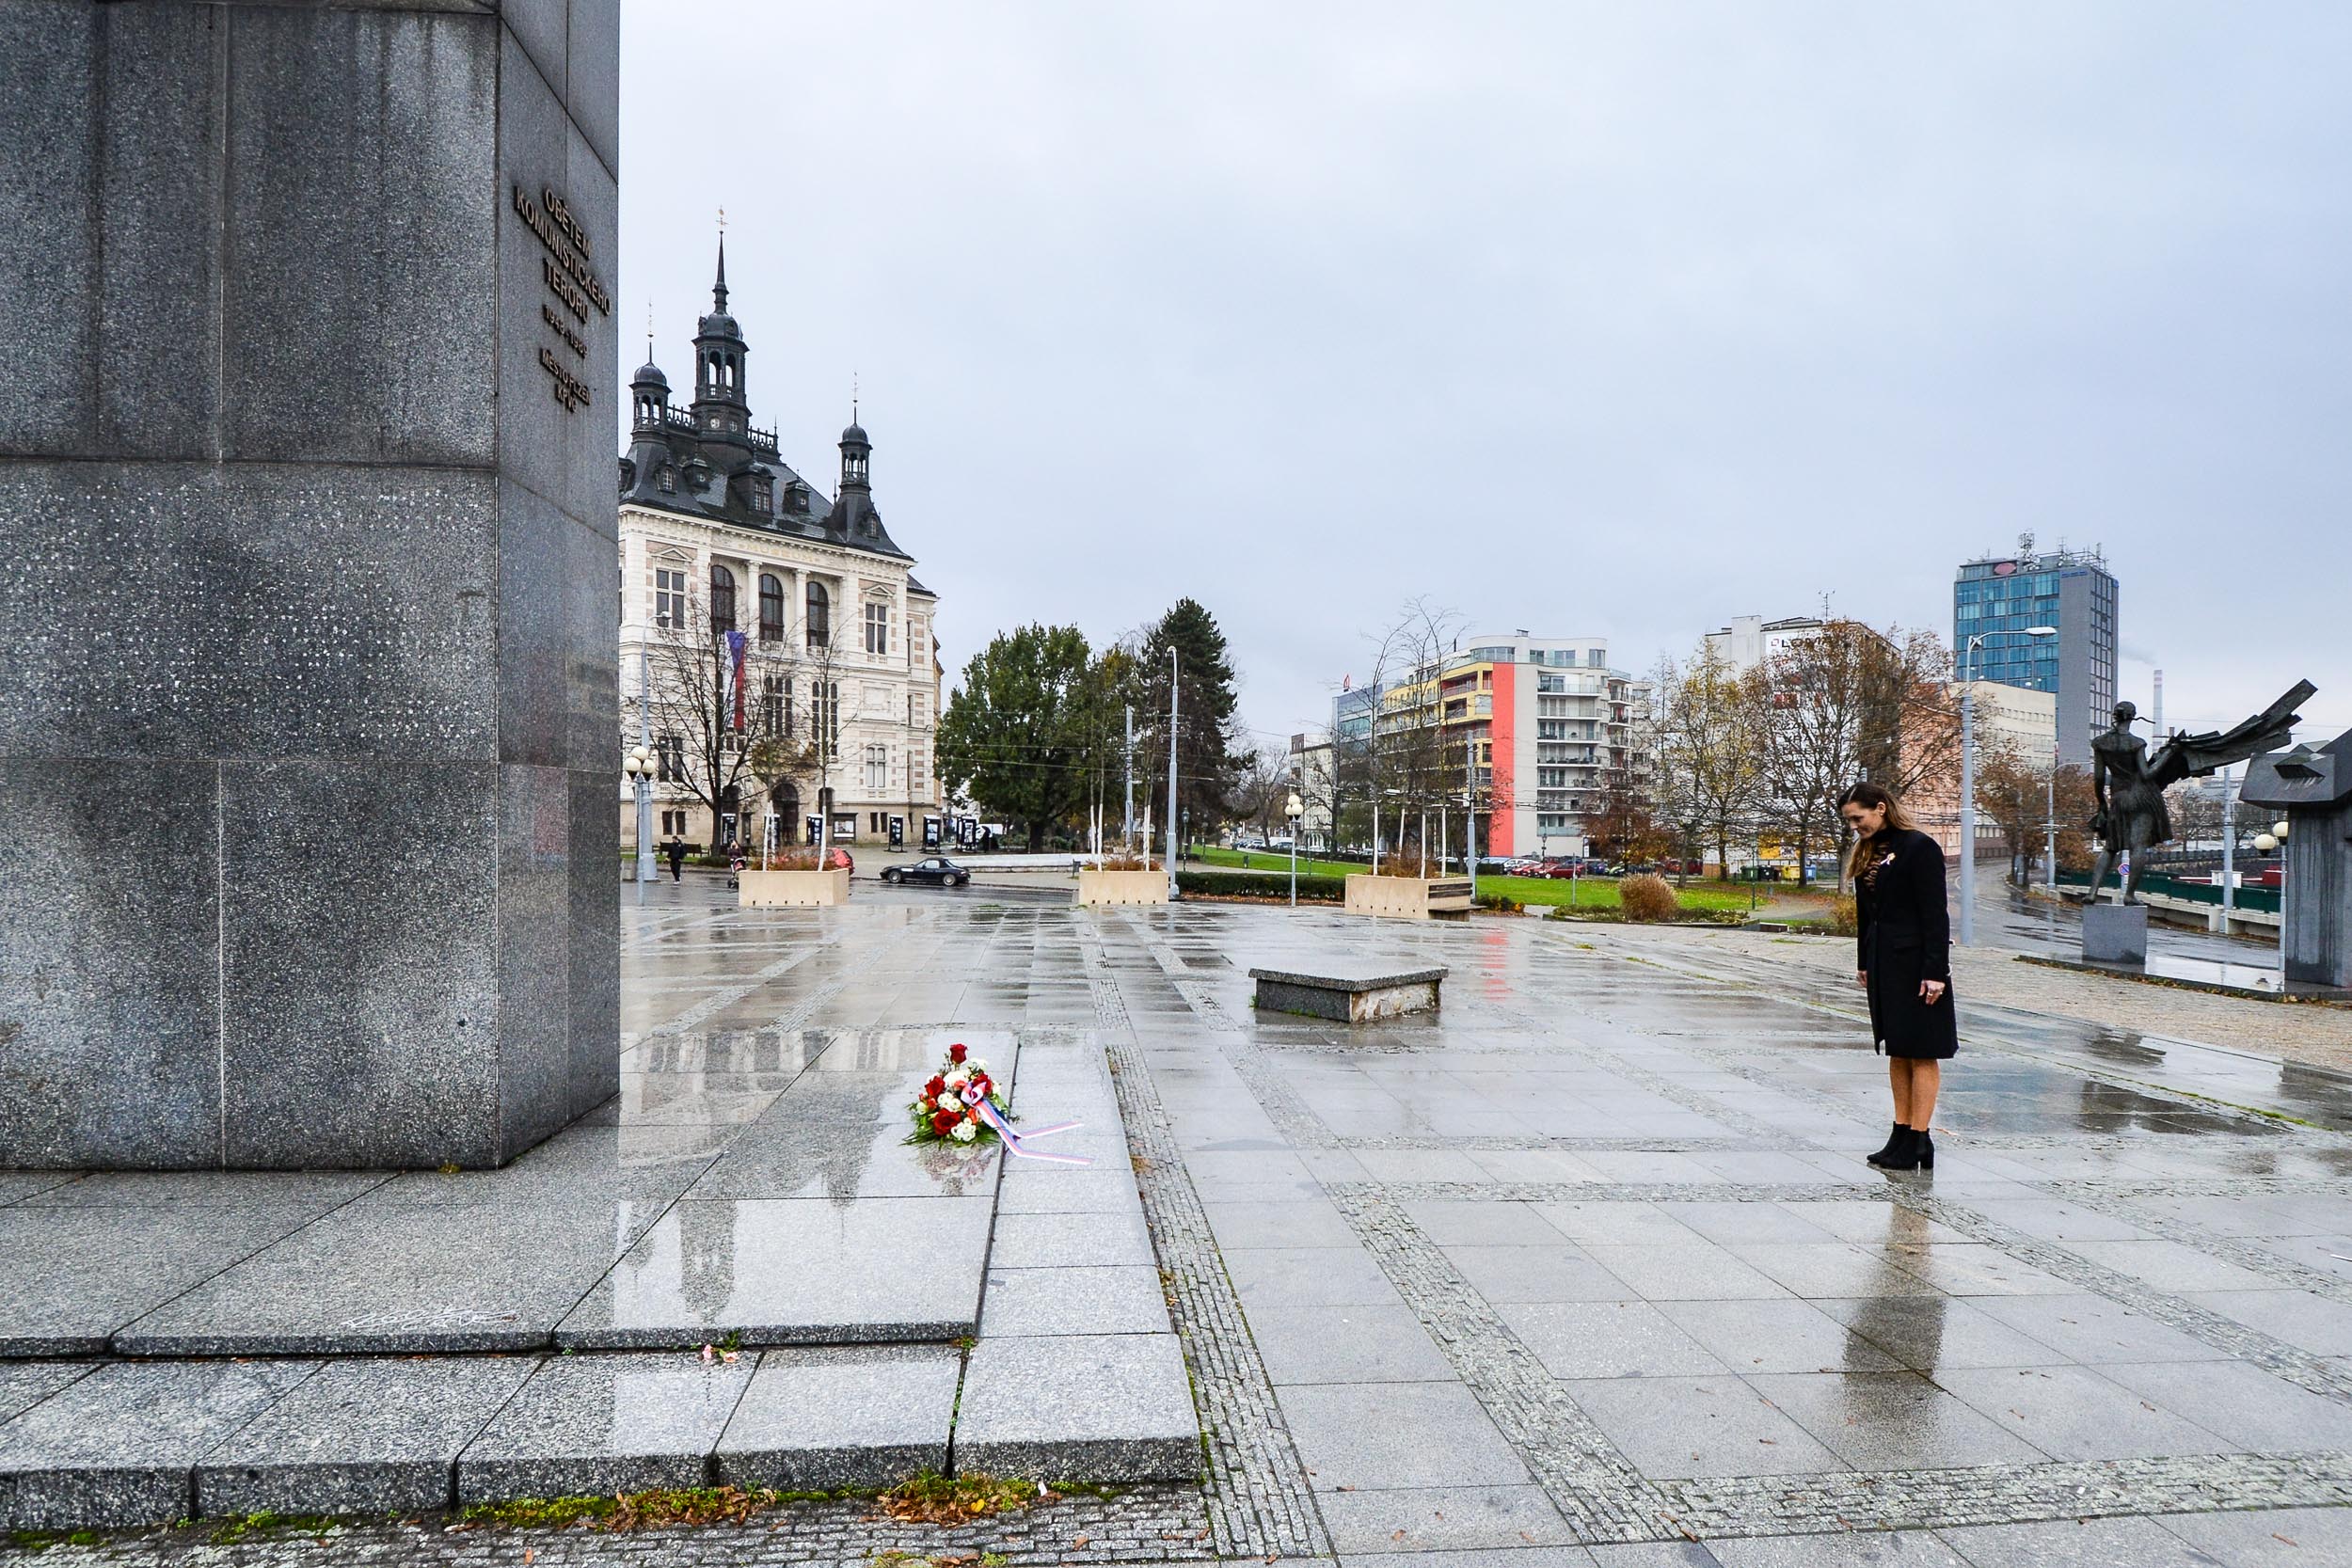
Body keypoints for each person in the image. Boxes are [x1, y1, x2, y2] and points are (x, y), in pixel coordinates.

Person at [1839, 781, 1956, 1171]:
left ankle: (1920, 1138)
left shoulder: (1919, 847)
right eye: (1849, 820)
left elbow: (1935, 914)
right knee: (1898, 1049)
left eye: (1858, 818)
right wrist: (1864, 961)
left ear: (1881, 808)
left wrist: (1935, 971)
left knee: (1921, 1050)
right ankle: (1901, 1132)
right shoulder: (1868, 851)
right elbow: (1866, 915)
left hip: (1918, 966)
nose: (1855, 826)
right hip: (1885, 963)